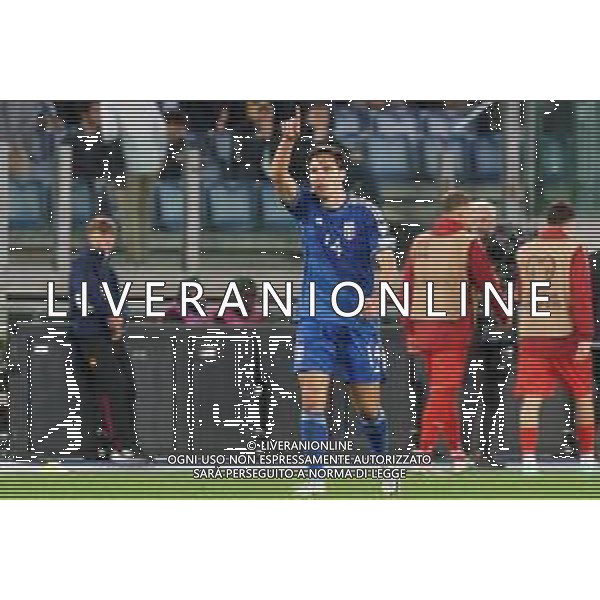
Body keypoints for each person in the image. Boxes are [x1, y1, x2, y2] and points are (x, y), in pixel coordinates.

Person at [271, 107, 399, 494]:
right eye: (314, 168)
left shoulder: (366, 214)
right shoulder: (307, 208)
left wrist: (379, 297)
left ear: (343, 173)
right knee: (312, 403)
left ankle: (382, 467)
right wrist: (287, 143)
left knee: (370, 408)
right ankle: (315, 476)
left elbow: (388, 265)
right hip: (315, 319)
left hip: (359, 322)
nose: (318, 173)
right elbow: (278, 175)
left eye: (327, 167)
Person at [401, 193, 508, 467]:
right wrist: (505, 316)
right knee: (443, 390)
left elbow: (405, 289)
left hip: (423, 328)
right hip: (452, 328)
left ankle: (456, 451)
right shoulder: (468, 243)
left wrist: (409, 330)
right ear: (460, 213)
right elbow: (488, 284)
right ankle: (423, 450)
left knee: (443, 390)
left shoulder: (420, 242)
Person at [514, 202, 596, 468]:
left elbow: (518, 293)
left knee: (532, 398)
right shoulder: (574, 249)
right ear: (570, 222)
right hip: (566, 335)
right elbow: (581, 296)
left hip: (532, 334)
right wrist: (585, 335)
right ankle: (585, 457)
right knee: (582, 395)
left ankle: (528, 460)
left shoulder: (524, 250)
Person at [68, 216, 139, 459]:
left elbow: (117, 299)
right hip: (91, 336)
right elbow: (87, 296)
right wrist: (112, 315)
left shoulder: (106, 268)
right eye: (102, 234)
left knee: (97, 388)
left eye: (110, 235)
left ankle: (93, 445)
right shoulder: (84, 265)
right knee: (115, 386)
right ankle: (119, 444)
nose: (108, 239)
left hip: (99, 335)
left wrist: (119, 317)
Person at [467, 201, 512, 466]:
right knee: (465, 388)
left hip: (494, 329)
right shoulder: (456, 247)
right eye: (480, 216)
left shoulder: (503, 250)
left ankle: (485, 449)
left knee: (493, 390)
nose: (485, 221)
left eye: (489, 217)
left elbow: (513, 283)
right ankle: (460, 448)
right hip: (464, 328)